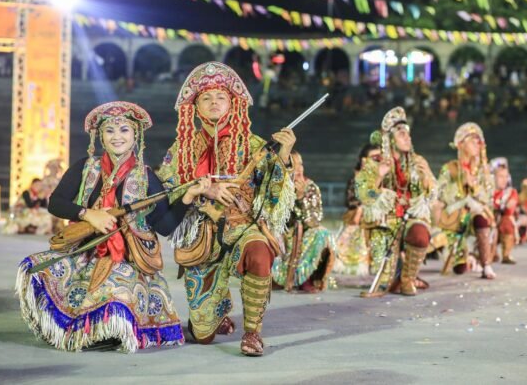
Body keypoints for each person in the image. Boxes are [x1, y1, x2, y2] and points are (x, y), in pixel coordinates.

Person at [15, 101, 207, 352]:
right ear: (101, 137)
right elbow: (56, 203)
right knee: (35, 269)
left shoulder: (146, 177)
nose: (117, 137)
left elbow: (164, 226)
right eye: (110, 131)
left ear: (135, 136)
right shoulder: (85, 167)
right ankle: (78, 329)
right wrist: (89, 214)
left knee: (117, 293)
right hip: (84, 251)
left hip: (128, 258)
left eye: (124, 130)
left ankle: (106, 330)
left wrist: (188, 197)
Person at [157, 62, 296, 356]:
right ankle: (217, 309)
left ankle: (252, 333)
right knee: (202, 336)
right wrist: (203, 190)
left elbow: (274, 196)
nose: (214, 103)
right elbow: (167, 189)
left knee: (260, 253)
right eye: (206, 98)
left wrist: (284, 157)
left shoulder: (255, 145)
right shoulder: (181, 148)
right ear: (195, 107)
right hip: (201, 233)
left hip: (242, 226)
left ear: (232, 103)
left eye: (221, 97)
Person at [356, 107, 437, 296]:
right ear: (391, 139)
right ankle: (396, 277)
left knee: (420, 235)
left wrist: (426, 180)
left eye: (408, 134)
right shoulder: (375, 162)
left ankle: (408, 279)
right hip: (384, 223)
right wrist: (379, 176)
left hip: (410, 216)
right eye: (402, 134)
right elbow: (363, 195)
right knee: (387, 281)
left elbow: (432, 194)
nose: (408, 138)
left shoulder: (418, 161)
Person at [436, 122, 496, 279]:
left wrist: (474, 187)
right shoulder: (449, 168)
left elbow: (489, 197)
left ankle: (486, 264)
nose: (477, 144)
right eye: (472, 140)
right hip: (454, 220)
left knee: (481, 218)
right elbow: (440, 194)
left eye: (478, 141)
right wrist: (460, 188)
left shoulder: (483, 171)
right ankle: (463, 256)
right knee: (460, 268)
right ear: (461, 144)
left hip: (475, 216)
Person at [272, 151, 336, 293]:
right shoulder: (276, 187)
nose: (299, 168)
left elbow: (314, 221)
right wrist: (290, 195)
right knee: (270, 232)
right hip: (282, 235)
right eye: (293, 165)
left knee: (322, 234)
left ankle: (306, 278)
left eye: (300, 164)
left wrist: (300, 198)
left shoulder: (311, 187)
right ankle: (276, 278)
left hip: (305, 237)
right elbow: (276, 217)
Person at [334, 133, 381, 276]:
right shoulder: (357, 178)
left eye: (380, 158)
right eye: (375, 158)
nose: (378, 161)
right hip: (359, 220)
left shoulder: (384, 177)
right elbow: (353, 202)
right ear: (363, 160)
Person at [490, 157, 518, 264]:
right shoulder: (486, 191)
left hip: (500, 223)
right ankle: (490, 252)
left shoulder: (510, 192)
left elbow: (508, 211)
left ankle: (506, 254)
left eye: (506, 176)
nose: (504, 179)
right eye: (501, 176)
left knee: (507, 222)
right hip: (488, 224)